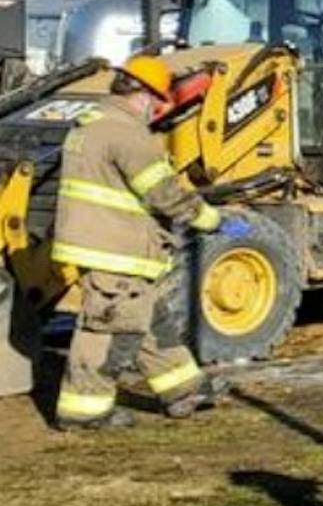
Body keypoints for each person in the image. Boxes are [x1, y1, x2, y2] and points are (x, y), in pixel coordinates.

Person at [51, 55, 244, 431]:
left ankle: (183, 390)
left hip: (108, 244)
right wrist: (211, 220)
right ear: (141, 95)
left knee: (152, 321)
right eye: (157, 102)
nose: (156, 110)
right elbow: (163, 193)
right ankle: (84, 411)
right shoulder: (126, 133)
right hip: (115, 249)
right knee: (110, 330)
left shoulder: (94, 122)